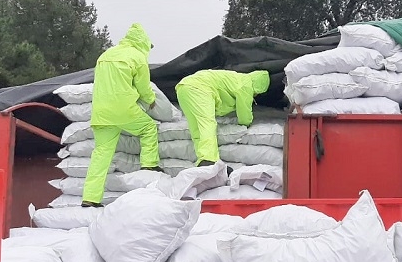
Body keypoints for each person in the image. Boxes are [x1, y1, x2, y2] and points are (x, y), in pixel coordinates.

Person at [82, 23, 163, 208]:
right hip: (124, 108)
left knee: (101, 154)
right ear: (143, 42)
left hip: (101, 112)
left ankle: (90, 197)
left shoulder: (105, 55)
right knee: (148, 128)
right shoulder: (137, 57)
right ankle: (149, 165)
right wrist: (150, 100)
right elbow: (144, 87)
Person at [175, 69, 270, 171]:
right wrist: (246, 124)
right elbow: (244, 111)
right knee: (208, 123)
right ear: (259, 88)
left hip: (183, 88)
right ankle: (209, 160)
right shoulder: (246, 85)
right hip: (199, 88)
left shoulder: (238, 78)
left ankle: (202, 159)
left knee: (197, 128)